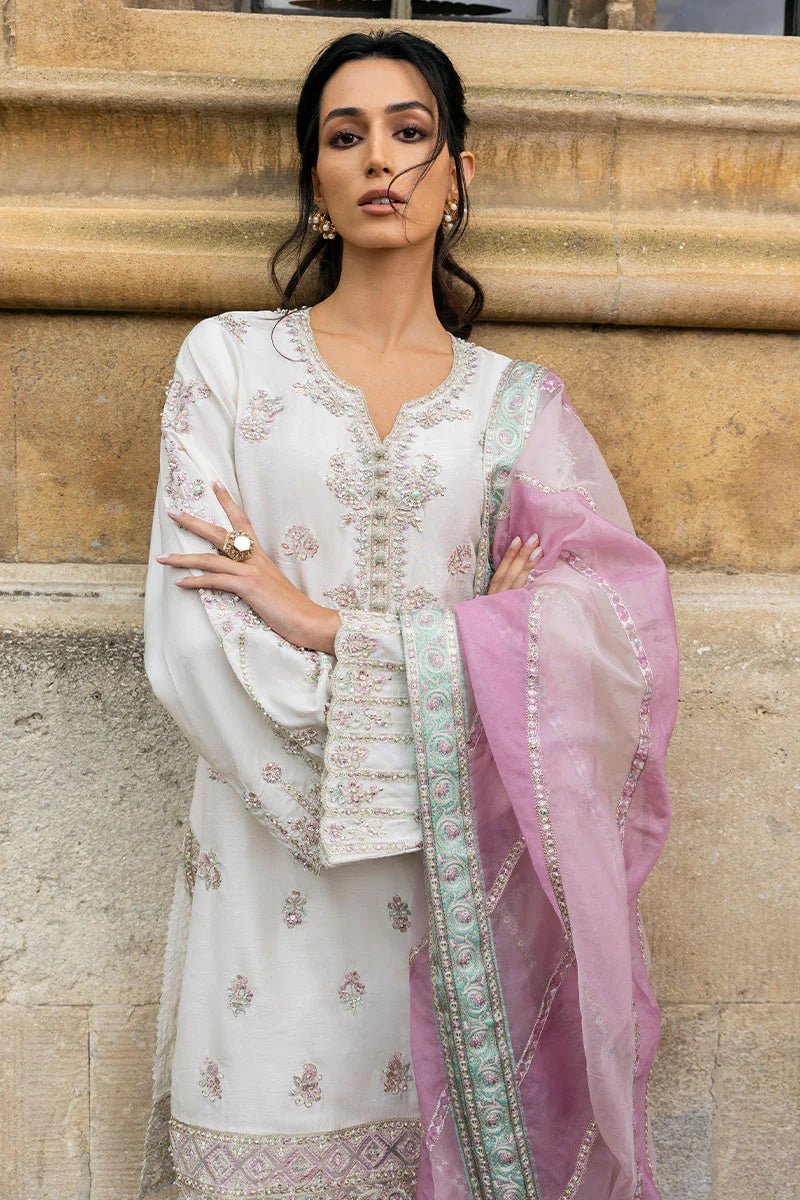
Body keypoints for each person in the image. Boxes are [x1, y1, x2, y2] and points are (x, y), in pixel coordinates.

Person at [137, 28, 679, 1200]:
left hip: (451, 900)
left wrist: (329, 626)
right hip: (263, 874)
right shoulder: (229, 368)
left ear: (457, 174)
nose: (379, 158)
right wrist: (452, 655)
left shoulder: (516, 408)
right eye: (345, 137)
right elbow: (194, 645)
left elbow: (602, 646)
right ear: (316, 187)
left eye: (408, 131)